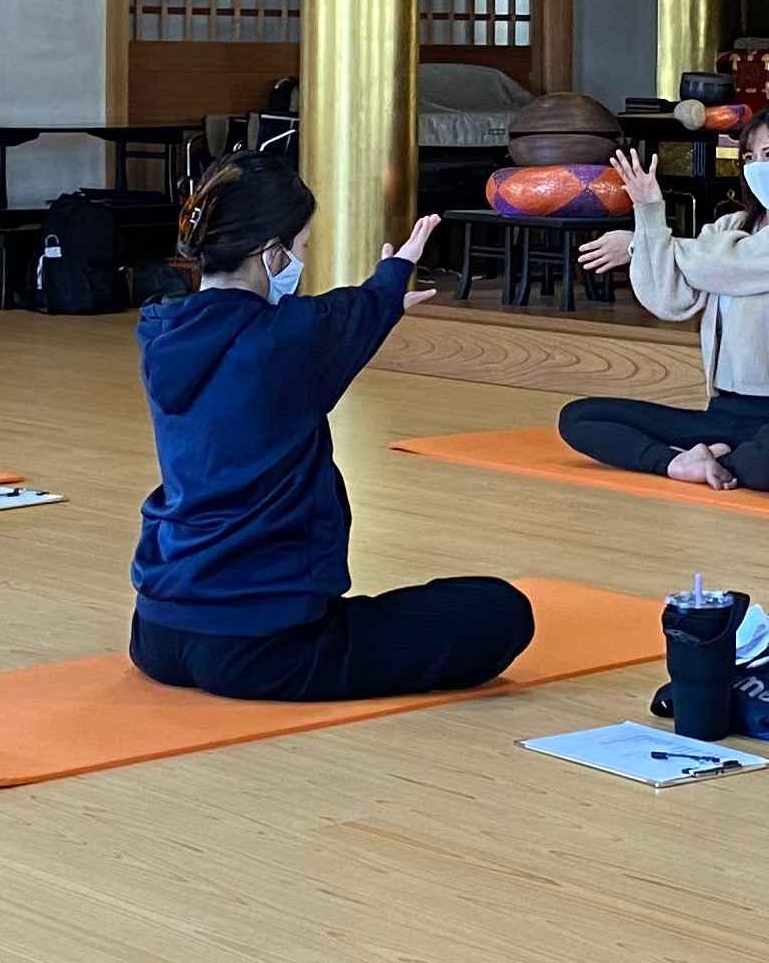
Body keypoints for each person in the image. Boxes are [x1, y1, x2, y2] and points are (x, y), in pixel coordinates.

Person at [129, 154, 533, 705]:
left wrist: (383, 301)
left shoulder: (161, 332)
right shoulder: (288, 337)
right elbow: (343, 317)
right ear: (270, 254)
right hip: (262, 646)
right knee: (499, 611)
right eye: (299, 247)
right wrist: (394, 276)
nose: (300, 260)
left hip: (157, 634)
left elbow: (344, 317)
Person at [559, 109, 769, 495]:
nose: (757, 167)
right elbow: (669, 298)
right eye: (749, 158)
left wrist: (639, 244)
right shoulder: (729, 227)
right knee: (578, 417)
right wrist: (648, 210)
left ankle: (719, 458)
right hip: (720, 413)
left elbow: (727, 265)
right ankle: (680, 462)